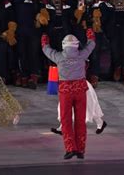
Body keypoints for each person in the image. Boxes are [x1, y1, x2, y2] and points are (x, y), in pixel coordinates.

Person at [41, 29, 96, 160]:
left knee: (66, 121)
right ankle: (81, 149)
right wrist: (90, 34)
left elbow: (46, 49)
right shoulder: (82, 55)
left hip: (65, 92)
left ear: (63, 45)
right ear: (77, 45)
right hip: (80, 90)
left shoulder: (58, 57)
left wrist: (44, 39)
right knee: (80, 121)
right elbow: (92, 44)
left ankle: (70, 148)